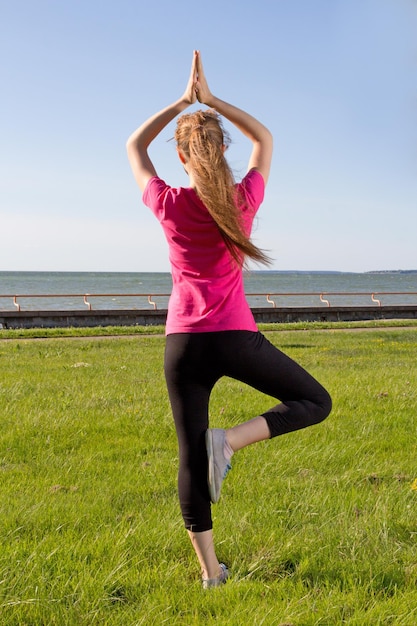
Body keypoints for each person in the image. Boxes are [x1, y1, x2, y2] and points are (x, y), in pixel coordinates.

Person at [126, 50, 332, 589]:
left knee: (190, 455)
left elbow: (132, 146)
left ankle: (210, 573)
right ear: (221, 152)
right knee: (316, 402)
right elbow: (264, 139)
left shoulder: (168, 203)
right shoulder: (242, 200)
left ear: (183, 158)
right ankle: (233, 441)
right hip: (236, 337)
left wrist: (182, 101)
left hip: (185, 345)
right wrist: (211, 101)